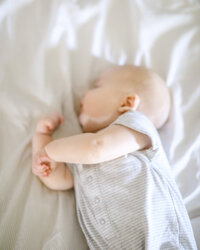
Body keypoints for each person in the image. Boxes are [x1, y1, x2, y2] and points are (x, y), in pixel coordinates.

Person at [32, 65, 197, 249]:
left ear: (126, 102)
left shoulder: (135, 125)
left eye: (96, 87)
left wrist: (50, 151)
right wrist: (42, 139)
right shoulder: (79, 151)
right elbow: (60, 180)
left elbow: (97, 148)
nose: (83, 95)